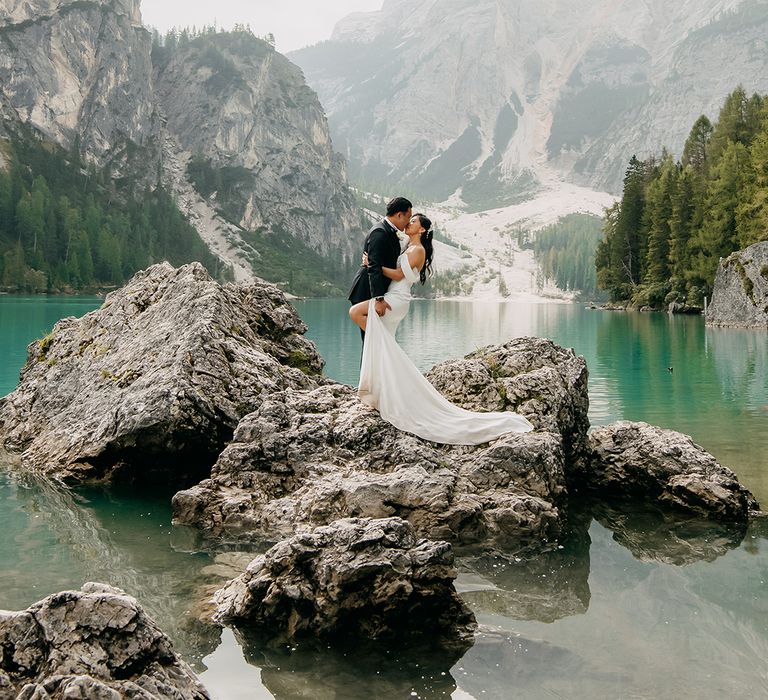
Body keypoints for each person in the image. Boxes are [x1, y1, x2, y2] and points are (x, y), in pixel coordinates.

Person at [349, 213, 534, 445]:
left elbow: (398, 274)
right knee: (383, 339)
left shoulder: (417, 250)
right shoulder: (408, 245)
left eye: (414, 221)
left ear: (423, 230)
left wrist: (372, 265)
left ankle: (386, 377)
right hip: (392, 296)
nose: (409, 223)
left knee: (357, 314)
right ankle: (382, 390)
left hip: (397, 299)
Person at [348, 197, 412, 341]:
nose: (408, 222)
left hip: (375, 290)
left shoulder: (389, 231)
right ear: (399, 215)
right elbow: (374, 267)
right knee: (370, 339)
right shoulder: (380, 232)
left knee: (372, 339)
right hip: (367, 289)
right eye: (408, 217)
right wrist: (378, 298)